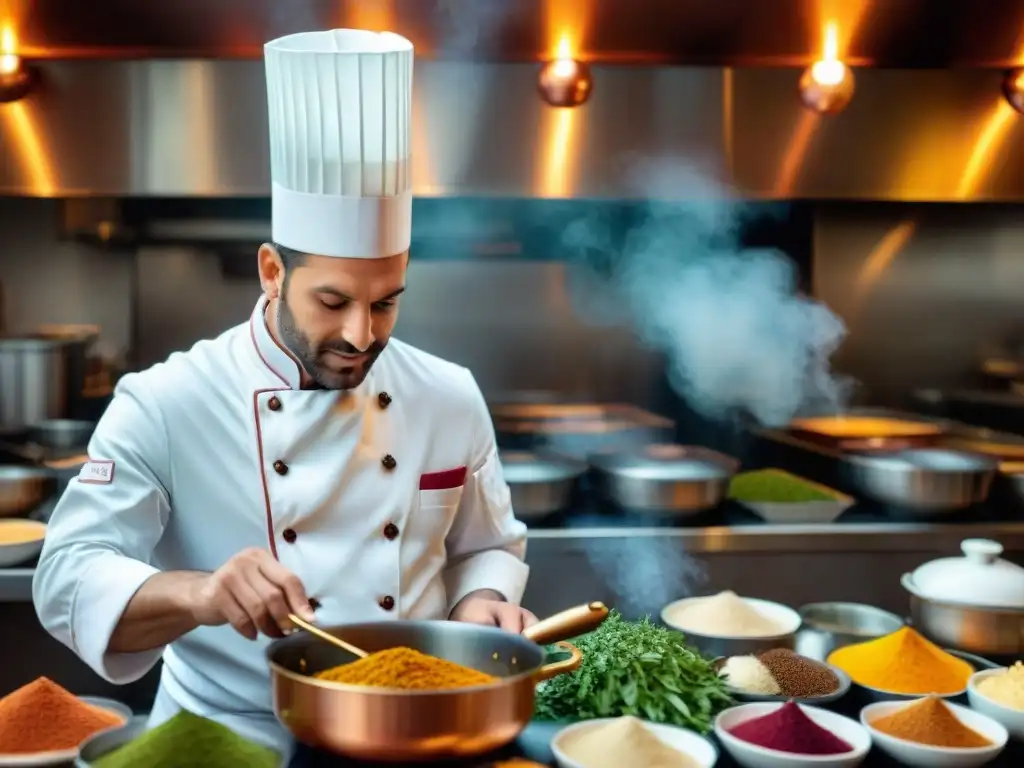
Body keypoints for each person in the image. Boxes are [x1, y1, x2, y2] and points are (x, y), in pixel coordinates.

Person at [32, 28, 533, 756]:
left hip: (410, 732)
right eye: (332, 302)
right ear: (271, 271)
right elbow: (67, 576)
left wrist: (483, 601)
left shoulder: (447, 395)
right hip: (228, 733)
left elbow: (487, 545)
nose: (363, 334)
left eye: (387, 301)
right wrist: (201, 593)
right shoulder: (166, 402)